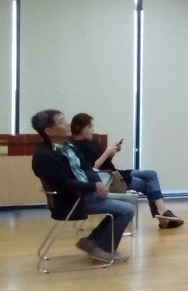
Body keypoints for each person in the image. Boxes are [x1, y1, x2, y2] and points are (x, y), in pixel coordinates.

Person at [30, 109, 134, 263]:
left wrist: (97, 182)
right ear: (49, 131)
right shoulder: (44, 155)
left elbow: (86, 167)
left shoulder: (68, 145)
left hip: (85, 194)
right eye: (62, 122)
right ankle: (105, 249)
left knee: (130, 201)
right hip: (71, 200)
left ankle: (92, 241)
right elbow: (63, 184)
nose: (68, 124)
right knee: (127, 209)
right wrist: (93, 187)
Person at [70, 112, 184, 229]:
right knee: (148, 184)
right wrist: (106, 153)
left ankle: (163, 213)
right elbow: (92, 169)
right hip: (109, 179)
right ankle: (163, 215)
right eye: (89, 127)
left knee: (151, 175)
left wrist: (112, 154)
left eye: (93, 126)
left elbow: (104, 163)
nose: (92, 130)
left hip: (114, 172)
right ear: (78, 127)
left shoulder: (92, 143)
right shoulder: (75, 147)